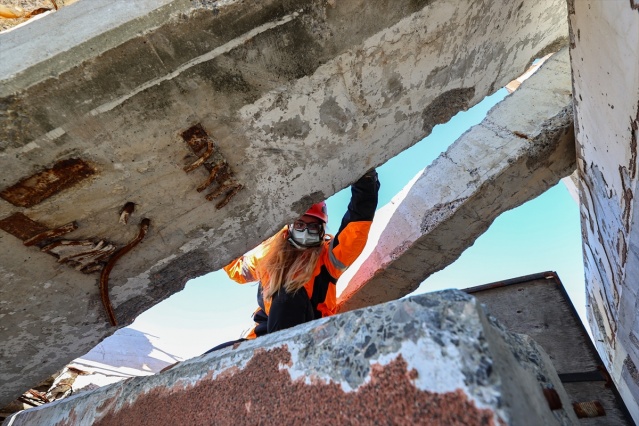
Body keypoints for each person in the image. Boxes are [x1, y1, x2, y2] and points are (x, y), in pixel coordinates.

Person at [204, 169, 379, 353]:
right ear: (289, 227)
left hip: (309, 334)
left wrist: (365, 180)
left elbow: (356, 224)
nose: (306, 231)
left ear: (321, 229)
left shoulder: (328, 256)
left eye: (313, 226)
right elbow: (239, 270)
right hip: (264, 334)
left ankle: (281, 364)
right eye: (300, 225)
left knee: (287, 295)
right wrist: (218, 241)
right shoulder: (269, 255)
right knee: (210, 358)